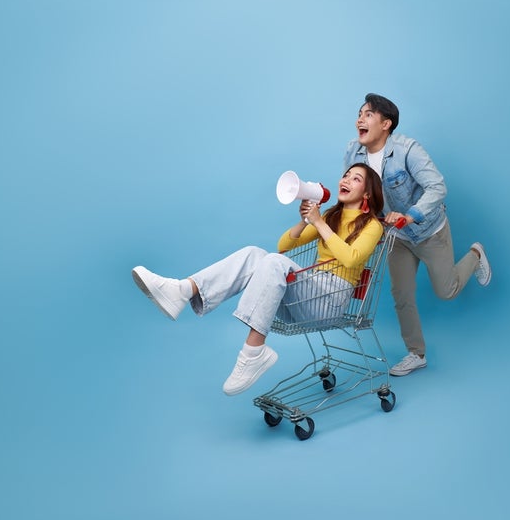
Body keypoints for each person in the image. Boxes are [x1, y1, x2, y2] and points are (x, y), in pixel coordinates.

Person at [131, 163, 385, 395]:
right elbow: (284, 244)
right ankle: (183, 290)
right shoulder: (331, 216)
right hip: (306, 296)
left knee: (274, 262)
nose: (347, 179)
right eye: (346, 175)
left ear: (367, 194)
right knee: (256, 253)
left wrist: (319, 224)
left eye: (356, 178)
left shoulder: (372, 225)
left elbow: (352, 258)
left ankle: (253, 352)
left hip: (329, 301)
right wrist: (305, 221)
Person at [343, 93, 492, 377]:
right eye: (359, 113)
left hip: (428, 230)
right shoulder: (353, 151)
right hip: (396, 238)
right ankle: (416, 354)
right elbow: (352, 192)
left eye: (367, 114)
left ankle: (475, 254)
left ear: (386, 124)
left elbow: (437, 187)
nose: (359, 119)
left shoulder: (407, 149)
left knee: (445, 291)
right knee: (401, 294)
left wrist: (410, 214)